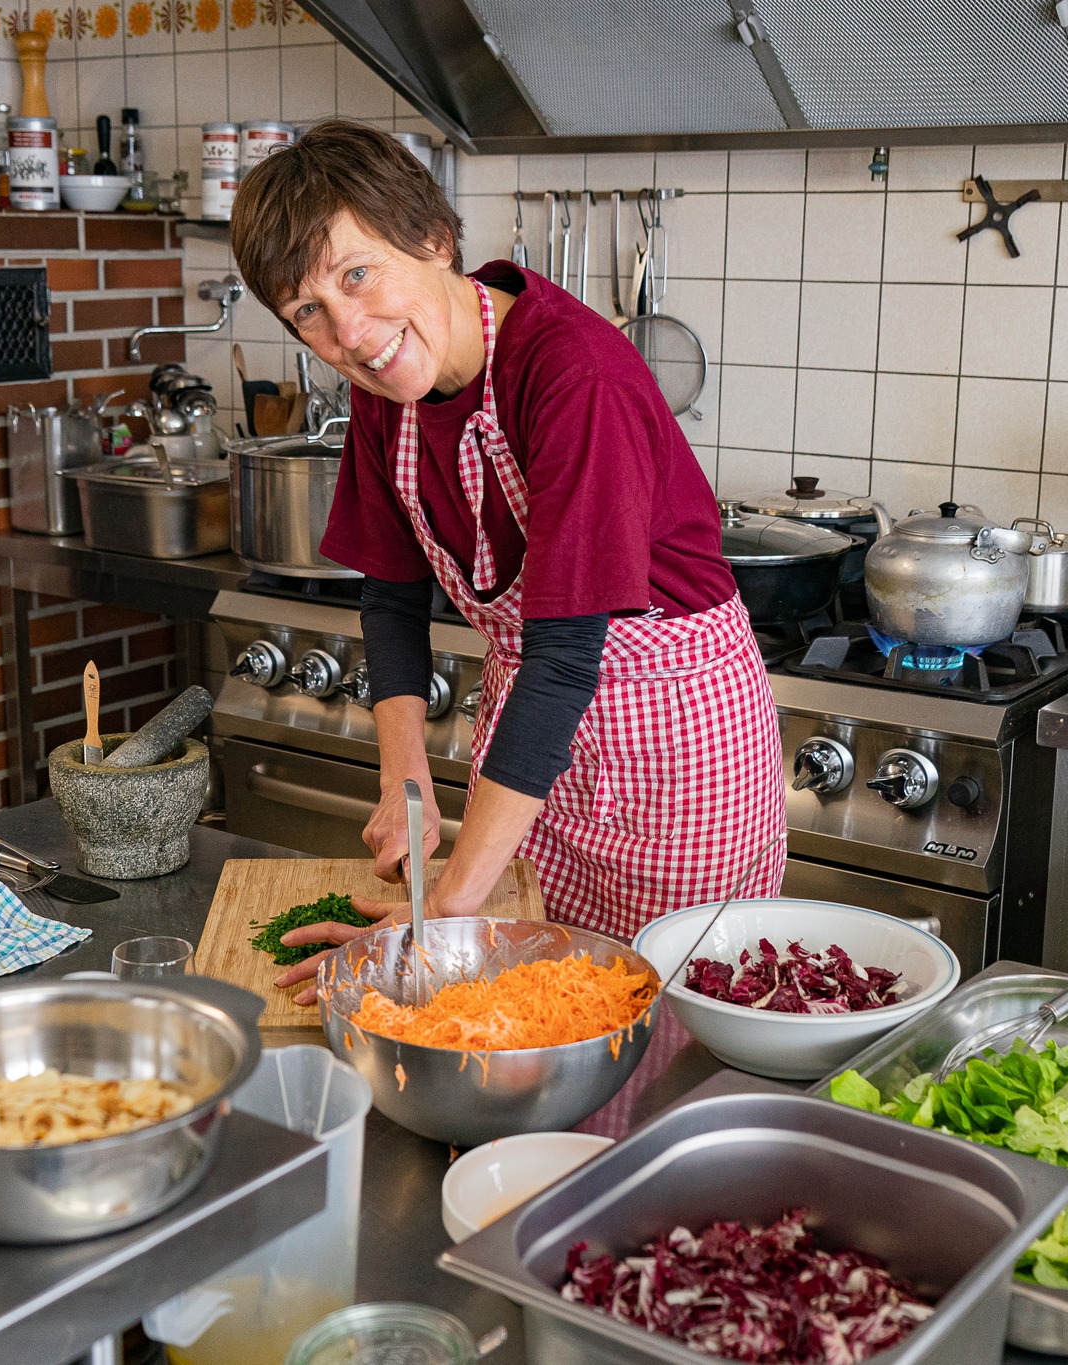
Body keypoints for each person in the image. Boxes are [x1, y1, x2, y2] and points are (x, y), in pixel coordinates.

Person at [228, 121, 785, 1003]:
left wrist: (445, 904)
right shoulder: (388, 384)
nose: (350, 332)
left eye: (357, 275)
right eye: (309, 312)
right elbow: (392, 598)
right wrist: (400, 772)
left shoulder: (573, 375)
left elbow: (568, 655)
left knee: (660, 1036)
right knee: (515, 1019)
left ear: (433, 239)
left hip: (677, 748)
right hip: (533, 754)